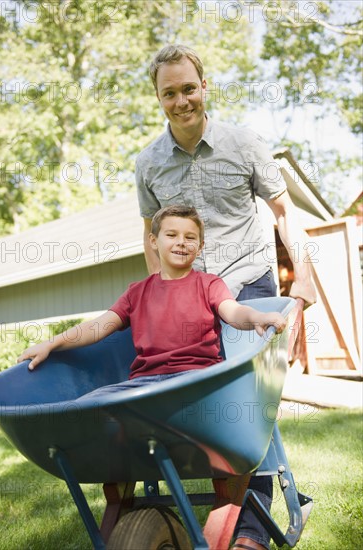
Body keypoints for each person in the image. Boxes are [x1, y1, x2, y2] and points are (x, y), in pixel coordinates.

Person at [135, 45, 317, 550]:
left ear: (204, 87)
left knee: (244, 409)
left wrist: (302, 277)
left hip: (248, 287)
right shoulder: (148, 163)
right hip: (188, 297)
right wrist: (157, 304)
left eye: (188, 88)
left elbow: (284, 214)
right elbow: (152, 241)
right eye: (169, 93)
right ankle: (170, 510)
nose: (181, 101)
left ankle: (251, 532)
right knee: (177, 402)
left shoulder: (244, 144)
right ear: (158, 98)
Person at [18, 206, 286, 396]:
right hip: (146, 385)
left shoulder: (209, 284)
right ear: (154, 241)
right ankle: (121, 470)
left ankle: (224, 472)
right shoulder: (137, 292)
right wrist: (51, 344)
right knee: (95, 404)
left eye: (190, 237)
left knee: (223, 410)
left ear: (200, 246)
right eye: (171, 235)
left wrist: (258, 318)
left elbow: (234, 312)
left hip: (198, 379)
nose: (181, 242)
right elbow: (98, 326)